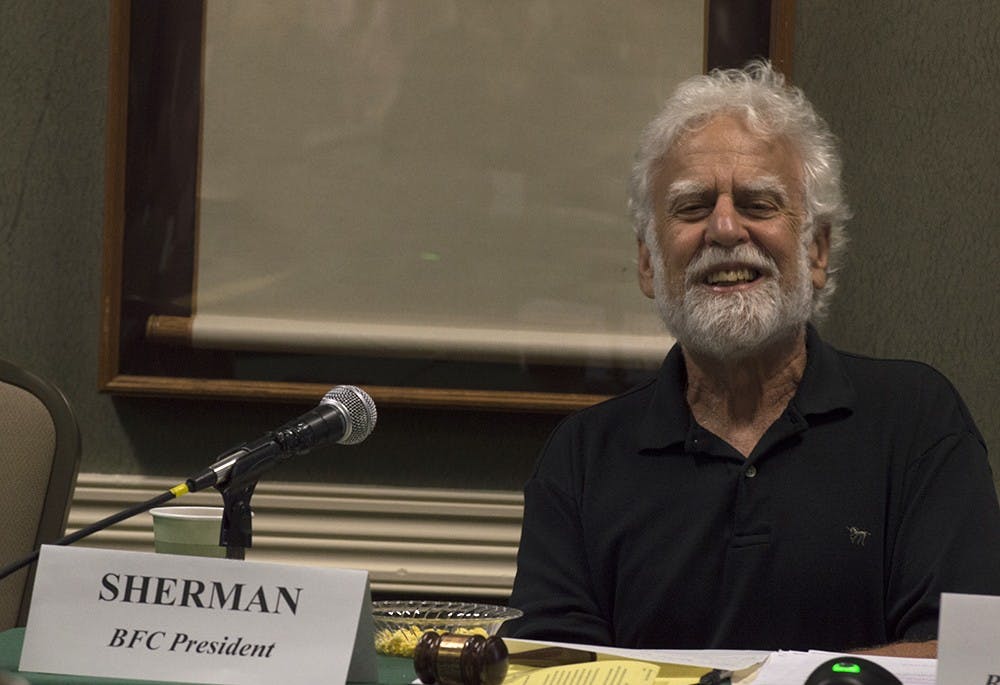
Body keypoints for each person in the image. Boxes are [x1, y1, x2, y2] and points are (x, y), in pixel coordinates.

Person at [505, 61, 1000, 657]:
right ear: (647, 263)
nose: (723, 228)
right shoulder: (582, 459)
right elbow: (550, 669)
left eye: (758, 203)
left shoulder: (917, 422)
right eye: (690, 208)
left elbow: (961, 657)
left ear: (816, 251)